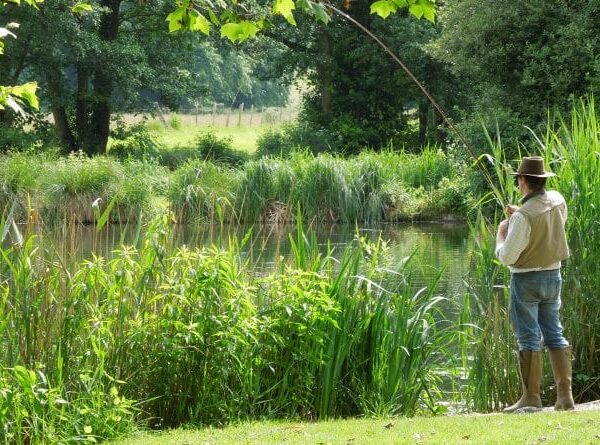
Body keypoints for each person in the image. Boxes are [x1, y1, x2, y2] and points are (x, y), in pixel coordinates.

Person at [495, 156, 575, 412]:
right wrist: (519, 216)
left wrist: (501, 234)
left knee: (528, 335)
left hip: (526, 280)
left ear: (523, 181)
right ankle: (565, 398)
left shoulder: (523, 217)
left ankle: (531, 397)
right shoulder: (557, 200)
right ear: (542, 180)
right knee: (555, 331)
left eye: (518, 179)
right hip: (554, 276)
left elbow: (507, 256)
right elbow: (549, 223)